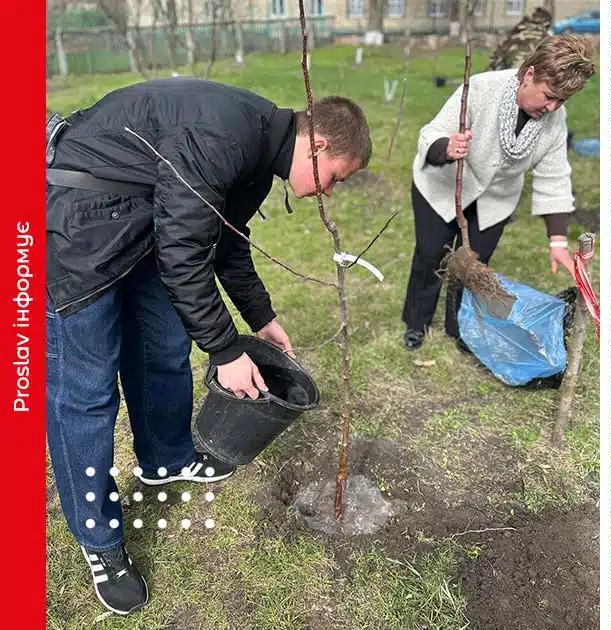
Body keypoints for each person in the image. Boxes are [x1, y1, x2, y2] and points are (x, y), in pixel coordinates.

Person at [45, 80, 372, 614]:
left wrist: (261, 319)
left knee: (164, 348)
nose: (329, 192)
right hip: (77, 224)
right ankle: (99, 540)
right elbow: (182, 259)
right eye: (335, 178)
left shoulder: (261, 149)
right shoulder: (225, 136)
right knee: (86, 396)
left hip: (136, 218)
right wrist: (225, 352)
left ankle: (166, 458)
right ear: (318, 147)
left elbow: (222, 242)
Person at [401, 35, 595, 351]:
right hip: (444, 184)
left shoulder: (554, 122)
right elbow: (431, 134)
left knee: (474, 263)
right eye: (549, 96)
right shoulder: (481, 89)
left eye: (561, 101)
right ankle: (416, 322)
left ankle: (459, 325)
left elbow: (554, 177)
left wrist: (557, 240)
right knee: (430, 254)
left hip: (495, 200)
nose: (552, 107)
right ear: (530, 75)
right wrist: (446, 147)